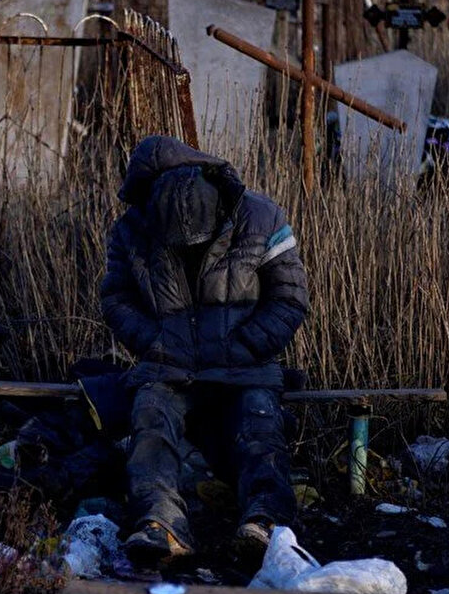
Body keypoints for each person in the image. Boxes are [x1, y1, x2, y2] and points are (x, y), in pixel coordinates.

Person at [100, 135, 309, 562]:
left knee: (259, 425)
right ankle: (160, 524)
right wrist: (154, 342)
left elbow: (289, 298)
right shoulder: (129, 231)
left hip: (245, 365)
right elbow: (115, 298)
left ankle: (266, 520)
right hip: (170, 367)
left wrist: (248, 344)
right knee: (150, 420)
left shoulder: (262, 217)